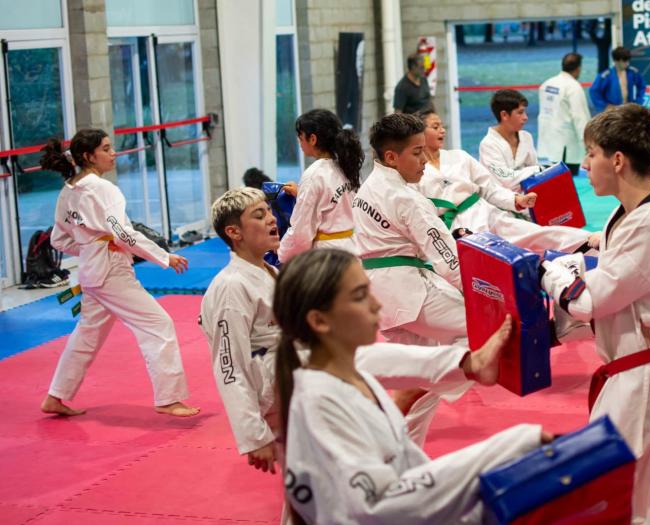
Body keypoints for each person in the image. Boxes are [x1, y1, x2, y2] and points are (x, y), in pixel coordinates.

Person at [201, 187, 515, 476]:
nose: (271, 219)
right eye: (259, 216)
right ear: (234, 232)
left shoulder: (268, 272)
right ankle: (466, 365)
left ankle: (458, 370)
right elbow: (229, 367)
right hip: (275, 383)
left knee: (315, 485)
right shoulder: (230, 286)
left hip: (292, 382)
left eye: (268, 211)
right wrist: (252, 436)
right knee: (357, 359)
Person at [274, 248, 552, 524]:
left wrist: (472, 363)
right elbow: (379, 507)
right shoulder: (318, 403)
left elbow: (399, 363)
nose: (377, 305)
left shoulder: (347, 373)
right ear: (319, 320)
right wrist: (509, 447)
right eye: (360, 296)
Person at [539, 104, 650, 524]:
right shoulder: (628, 213)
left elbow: (590, 303)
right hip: (630, 372)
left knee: (638, 500)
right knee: (622, 496)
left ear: (618, 160)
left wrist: (545, 274)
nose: (586, 164)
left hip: (647, 380)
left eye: (591, 154)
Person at [38, 130, 198, 417]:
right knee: (158, 325)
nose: (114, 153)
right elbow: (124, 234)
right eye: (106, 149)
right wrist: (164, 257)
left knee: (87, 335)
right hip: (111, 271)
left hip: (90, 272)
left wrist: (89, 247)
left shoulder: (69, 190)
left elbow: (58, 241)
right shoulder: (103, 189)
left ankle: (56, 396)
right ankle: (168, 398)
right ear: (89, 156)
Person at [353, 113, 468, 446]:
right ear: (392, 156)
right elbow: (448, 260)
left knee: (421, 381)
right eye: (417, 152)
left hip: (382, 300)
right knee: (484, 331)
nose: (425, 159)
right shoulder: (407, 198)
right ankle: (411, 391)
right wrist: (479, 292)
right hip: (410, 294)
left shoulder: (370, 186)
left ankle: (405, 456)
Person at [416, 110, 590, 253]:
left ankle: (590, 243)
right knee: (501, 260)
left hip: (486, 213)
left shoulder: (459, 156)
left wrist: (516, 200)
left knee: (537, 235)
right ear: (421, 133)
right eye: (435, 126)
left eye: (442, 126)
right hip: (457, 229)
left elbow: (489, 188)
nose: (443, 130)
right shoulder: (415, 170)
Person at [276, 109, 363, 262]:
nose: (299, 141)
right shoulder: (347, 166)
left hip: (328, 256)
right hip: (355, 248)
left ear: (313, 139)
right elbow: (336, 203)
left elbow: (301, 232)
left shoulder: (314, 175)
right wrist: (301, 192)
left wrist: (281, 252)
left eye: (300, 136)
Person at [537, 52, 592, 174]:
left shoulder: (547, 84)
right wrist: (588, 142)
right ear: (578, 68)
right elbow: (580, 117)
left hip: (548, 143)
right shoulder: (573, 87)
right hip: (566, 147)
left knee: (551, 179)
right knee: (568, 183)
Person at [478, 89, 543, 191]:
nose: (525, 117)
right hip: (497, 204)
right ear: (504, 115)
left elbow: (537, 176)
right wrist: (537, 169)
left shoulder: (526, 137)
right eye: (520, 112)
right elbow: (506, 179)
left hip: (526, 200)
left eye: (525, 112)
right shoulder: (488, 144)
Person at [589, 46, 647, 113]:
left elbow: (642, 86)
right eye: (624, 61)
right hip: (613, 111)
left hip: (628, 110)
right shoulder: (606, 75)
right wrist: (605, 106)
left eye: (628, 60)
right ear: (616, 61)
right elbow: (594, 91)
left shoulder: (632, 72)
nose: (627, 63)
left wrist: (638, 102)